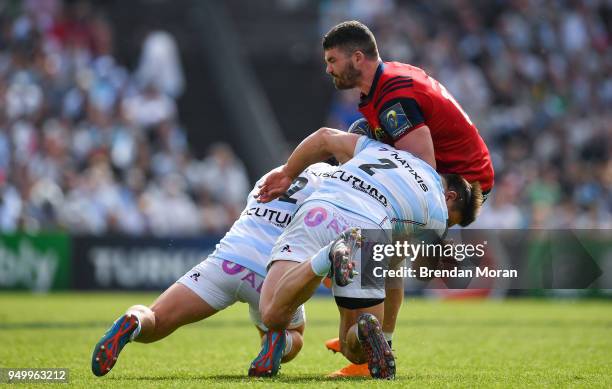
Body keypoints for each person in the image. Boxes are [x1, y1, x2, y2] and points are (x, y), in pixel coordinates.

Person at [321, 20, 495, 375]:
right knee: (383, 252)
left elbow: (423, 169)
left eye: (333, 60)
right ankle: (371, 336)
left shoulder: (392, 96)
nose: (328, 69)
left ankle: (372, 344)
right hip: (460, 175)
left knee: (382, 252)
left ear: (357, 57)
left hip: (457, 186)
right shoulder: (387, 83)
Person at [250, 128, 483, 379]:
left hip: (321, 210)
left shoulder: (379, 149)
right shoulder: (435, 215)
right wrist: (388, 337)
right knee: (357, 350)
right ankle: (364, 330)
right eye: (451, 220)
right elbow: (400, 272)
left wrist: (287, 173)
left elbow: (324, 136)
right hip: (369, 232)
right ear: (449, 196)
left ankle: (327, 256)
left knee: (273, 315)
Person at [90, 162, 334, 377]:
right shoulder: (334, 184)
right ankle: (277, 340)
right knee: (294, 332)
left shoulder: (274, 174)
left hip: (227, 260)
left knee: (154, 320)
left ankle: (134, 321)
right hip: (274, 272)